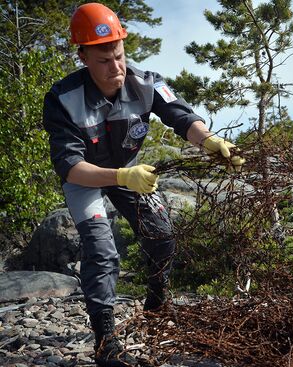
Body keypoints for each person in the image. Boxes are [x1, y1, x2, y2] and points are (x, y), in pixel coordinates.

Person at [43, 3, 242, 366]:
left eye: (119, 56)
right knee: (103, 253)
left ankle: (156, 303)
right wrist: (119, 176)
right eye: (103, 61)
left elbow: (180, 116)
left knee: (162, 234)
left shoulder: (146, 82)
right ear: (83, 55)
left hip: (128, 171)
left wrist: (210, 141)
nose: (115, 67)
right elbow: (70, 166)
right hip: (88, 178)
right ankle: (105, 343)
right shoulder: (61, 99)